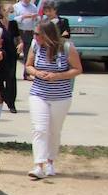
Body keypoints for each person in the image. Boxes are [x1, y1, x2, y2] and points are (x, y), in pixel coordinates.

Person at [24, 20, 82, 180]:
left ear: (47, 35)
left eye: (37, 34)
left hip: (61, 96)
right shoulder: (35, 46)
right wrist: (35, 72)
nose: (34, 37)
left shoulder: (66, 47)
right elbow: (28, 65)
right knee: (39, 128)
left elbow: (77, 69)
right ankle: (38, 165)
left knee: (54, 130)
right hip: (38, 93)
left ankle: (50, 161)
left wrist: (58, 76)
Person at [12, 0, 40, 72]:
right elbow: (12, 20)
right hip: (19, 32)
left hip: (30, 31)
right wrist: (23, 17)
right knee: (16, 52)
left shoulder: (33, 6)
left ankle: (26, 73)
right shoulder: (16, 7)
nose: (27, 0)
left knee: (28, 53)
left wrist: (35, 17)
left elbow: (38, 19)